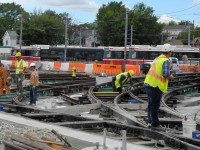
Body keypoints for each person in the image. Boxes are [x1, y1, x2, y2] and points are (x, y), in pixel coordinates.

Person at [144, 44, 175, 130]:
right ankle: (155, 124)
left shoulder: (157, 59)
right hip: (155, 85)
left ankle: (150, 122)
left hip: (148, 83)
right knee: (155, 105)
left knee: (151, 104)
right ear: (169, 52)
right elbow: (165, 74)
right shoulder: (165, 61)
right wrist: (171, 76)